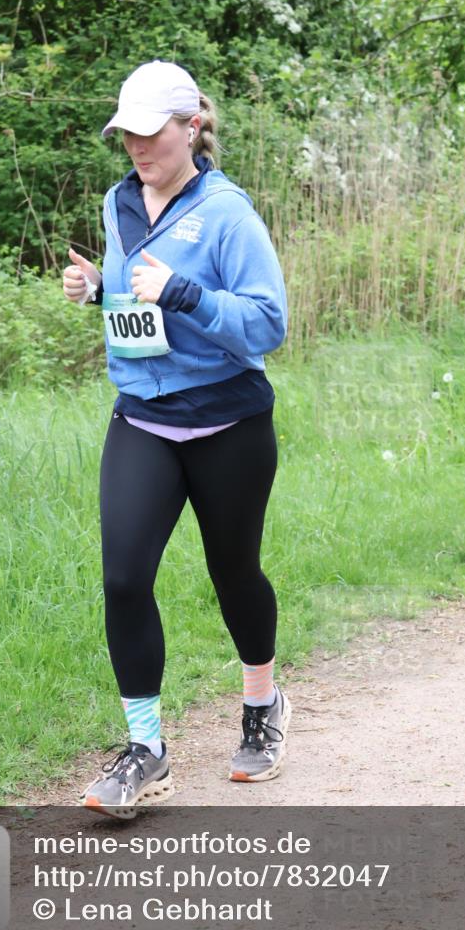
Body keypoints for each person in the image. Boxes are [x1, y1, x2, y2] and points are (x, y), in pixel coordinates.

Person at [63, 60, 291, 818]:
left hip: (228, 424)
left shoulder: (227, 213)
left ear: (191, 126)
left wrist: (189, 293)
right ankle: (144, 749)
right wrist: (101, 289)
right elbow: (139, 306)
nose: (134, 146)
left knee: (233, 574)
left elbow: (267, 324)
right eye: (123, 133)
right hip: (141, 418)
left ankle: (261, 703)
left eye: (148, 132)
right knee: (124, 578)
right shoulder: (117, 201)